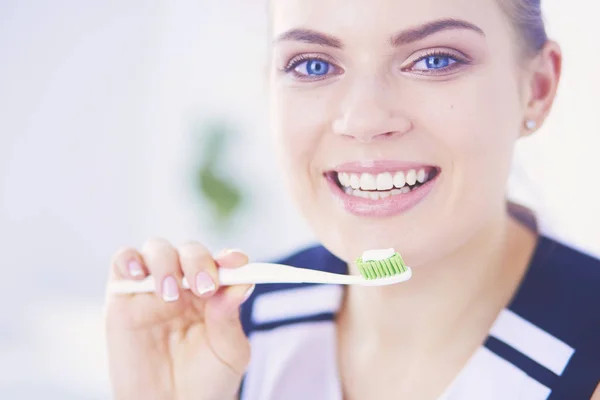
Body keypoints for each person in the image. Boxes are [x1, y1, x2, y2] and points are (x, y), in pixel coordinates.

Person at [104, 0, 600, 398]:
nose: (363, 120)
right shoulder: (229, 335)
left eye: (435, 59)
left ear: (536, 87)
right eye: (313, 64)